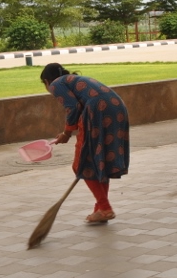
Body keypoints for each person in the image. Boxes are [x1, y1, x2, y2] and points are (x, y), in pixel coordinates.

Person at [41, 63, 130, 224]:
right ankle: (100, 208)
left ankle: (105, 208)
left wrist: (67, 133)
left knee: (81, 164)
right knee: (100, 161)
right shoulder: (75, 80)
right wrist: (67, 132)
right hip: (117, 108)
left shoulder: (56, 83)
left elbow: (73, 107)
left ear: (47, 81)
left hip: (98, 111)